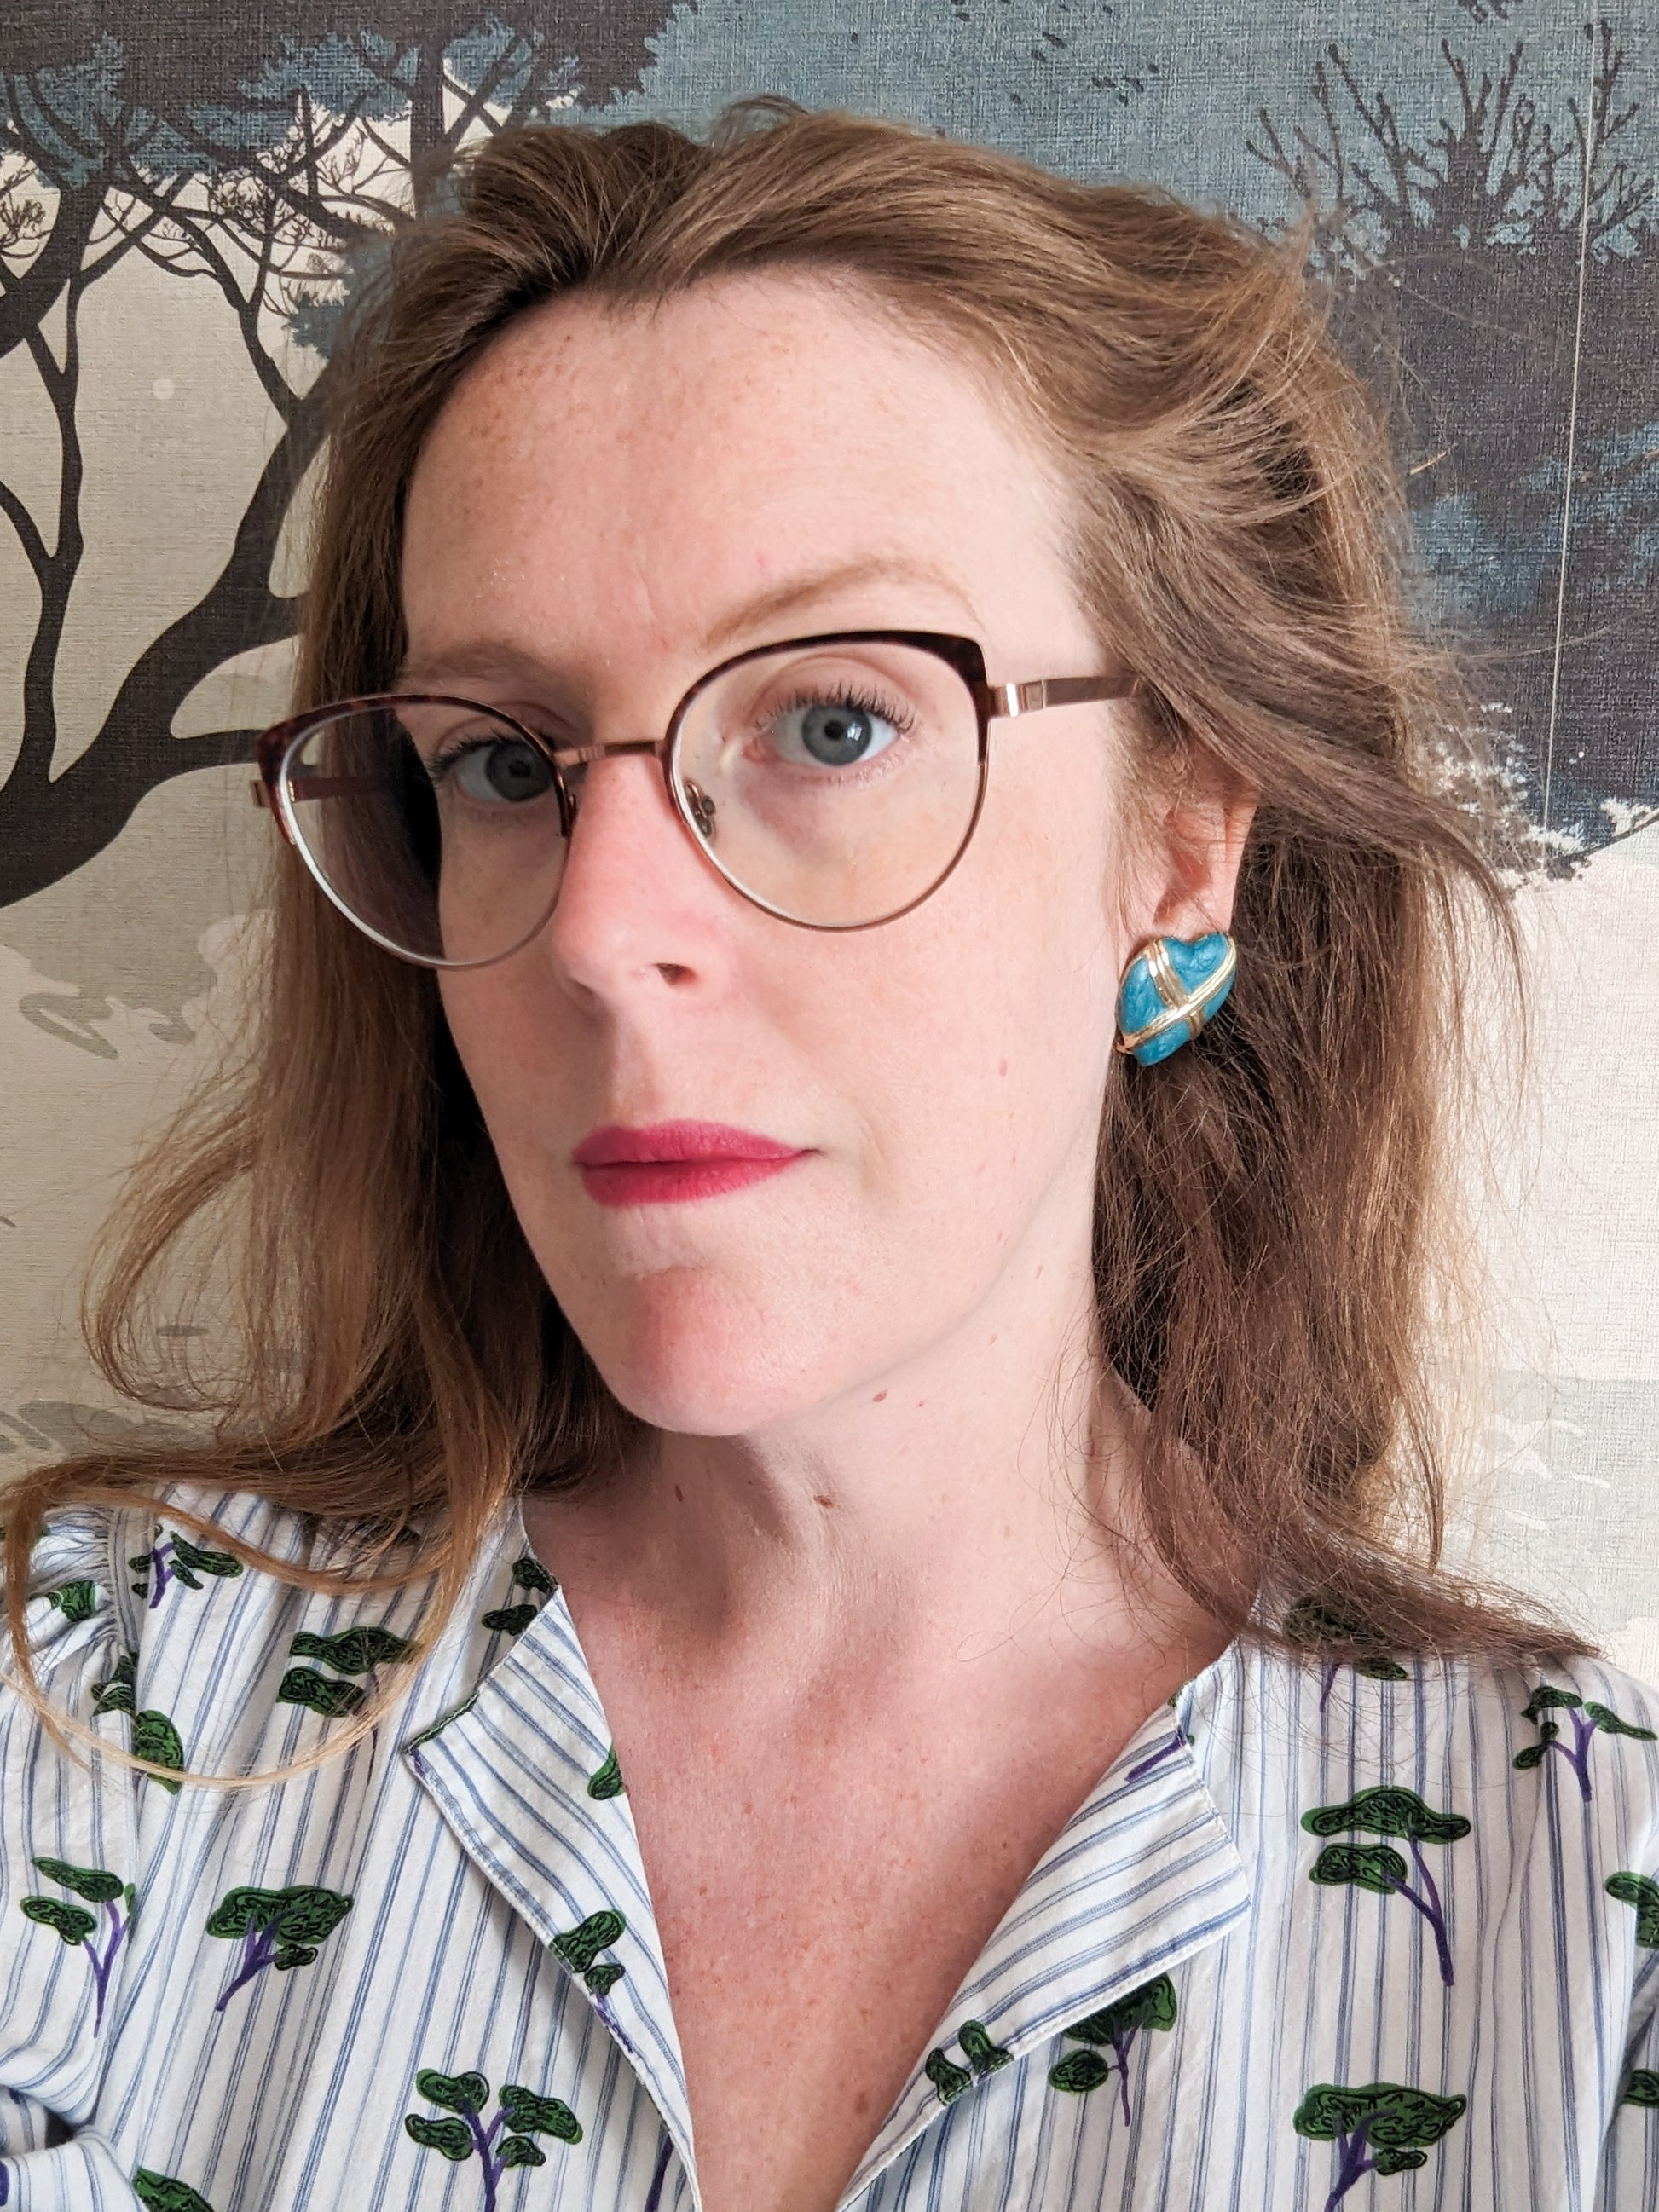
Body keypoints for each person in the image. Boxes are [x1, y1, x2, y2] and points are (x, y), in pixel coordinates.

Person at [1, 103, 1654, 2212]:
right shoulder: (88, 1716)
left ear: (1181, 832)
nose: (599, 930)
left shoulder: (1584, 1914)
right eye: (501, 762)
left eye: (833, 724)